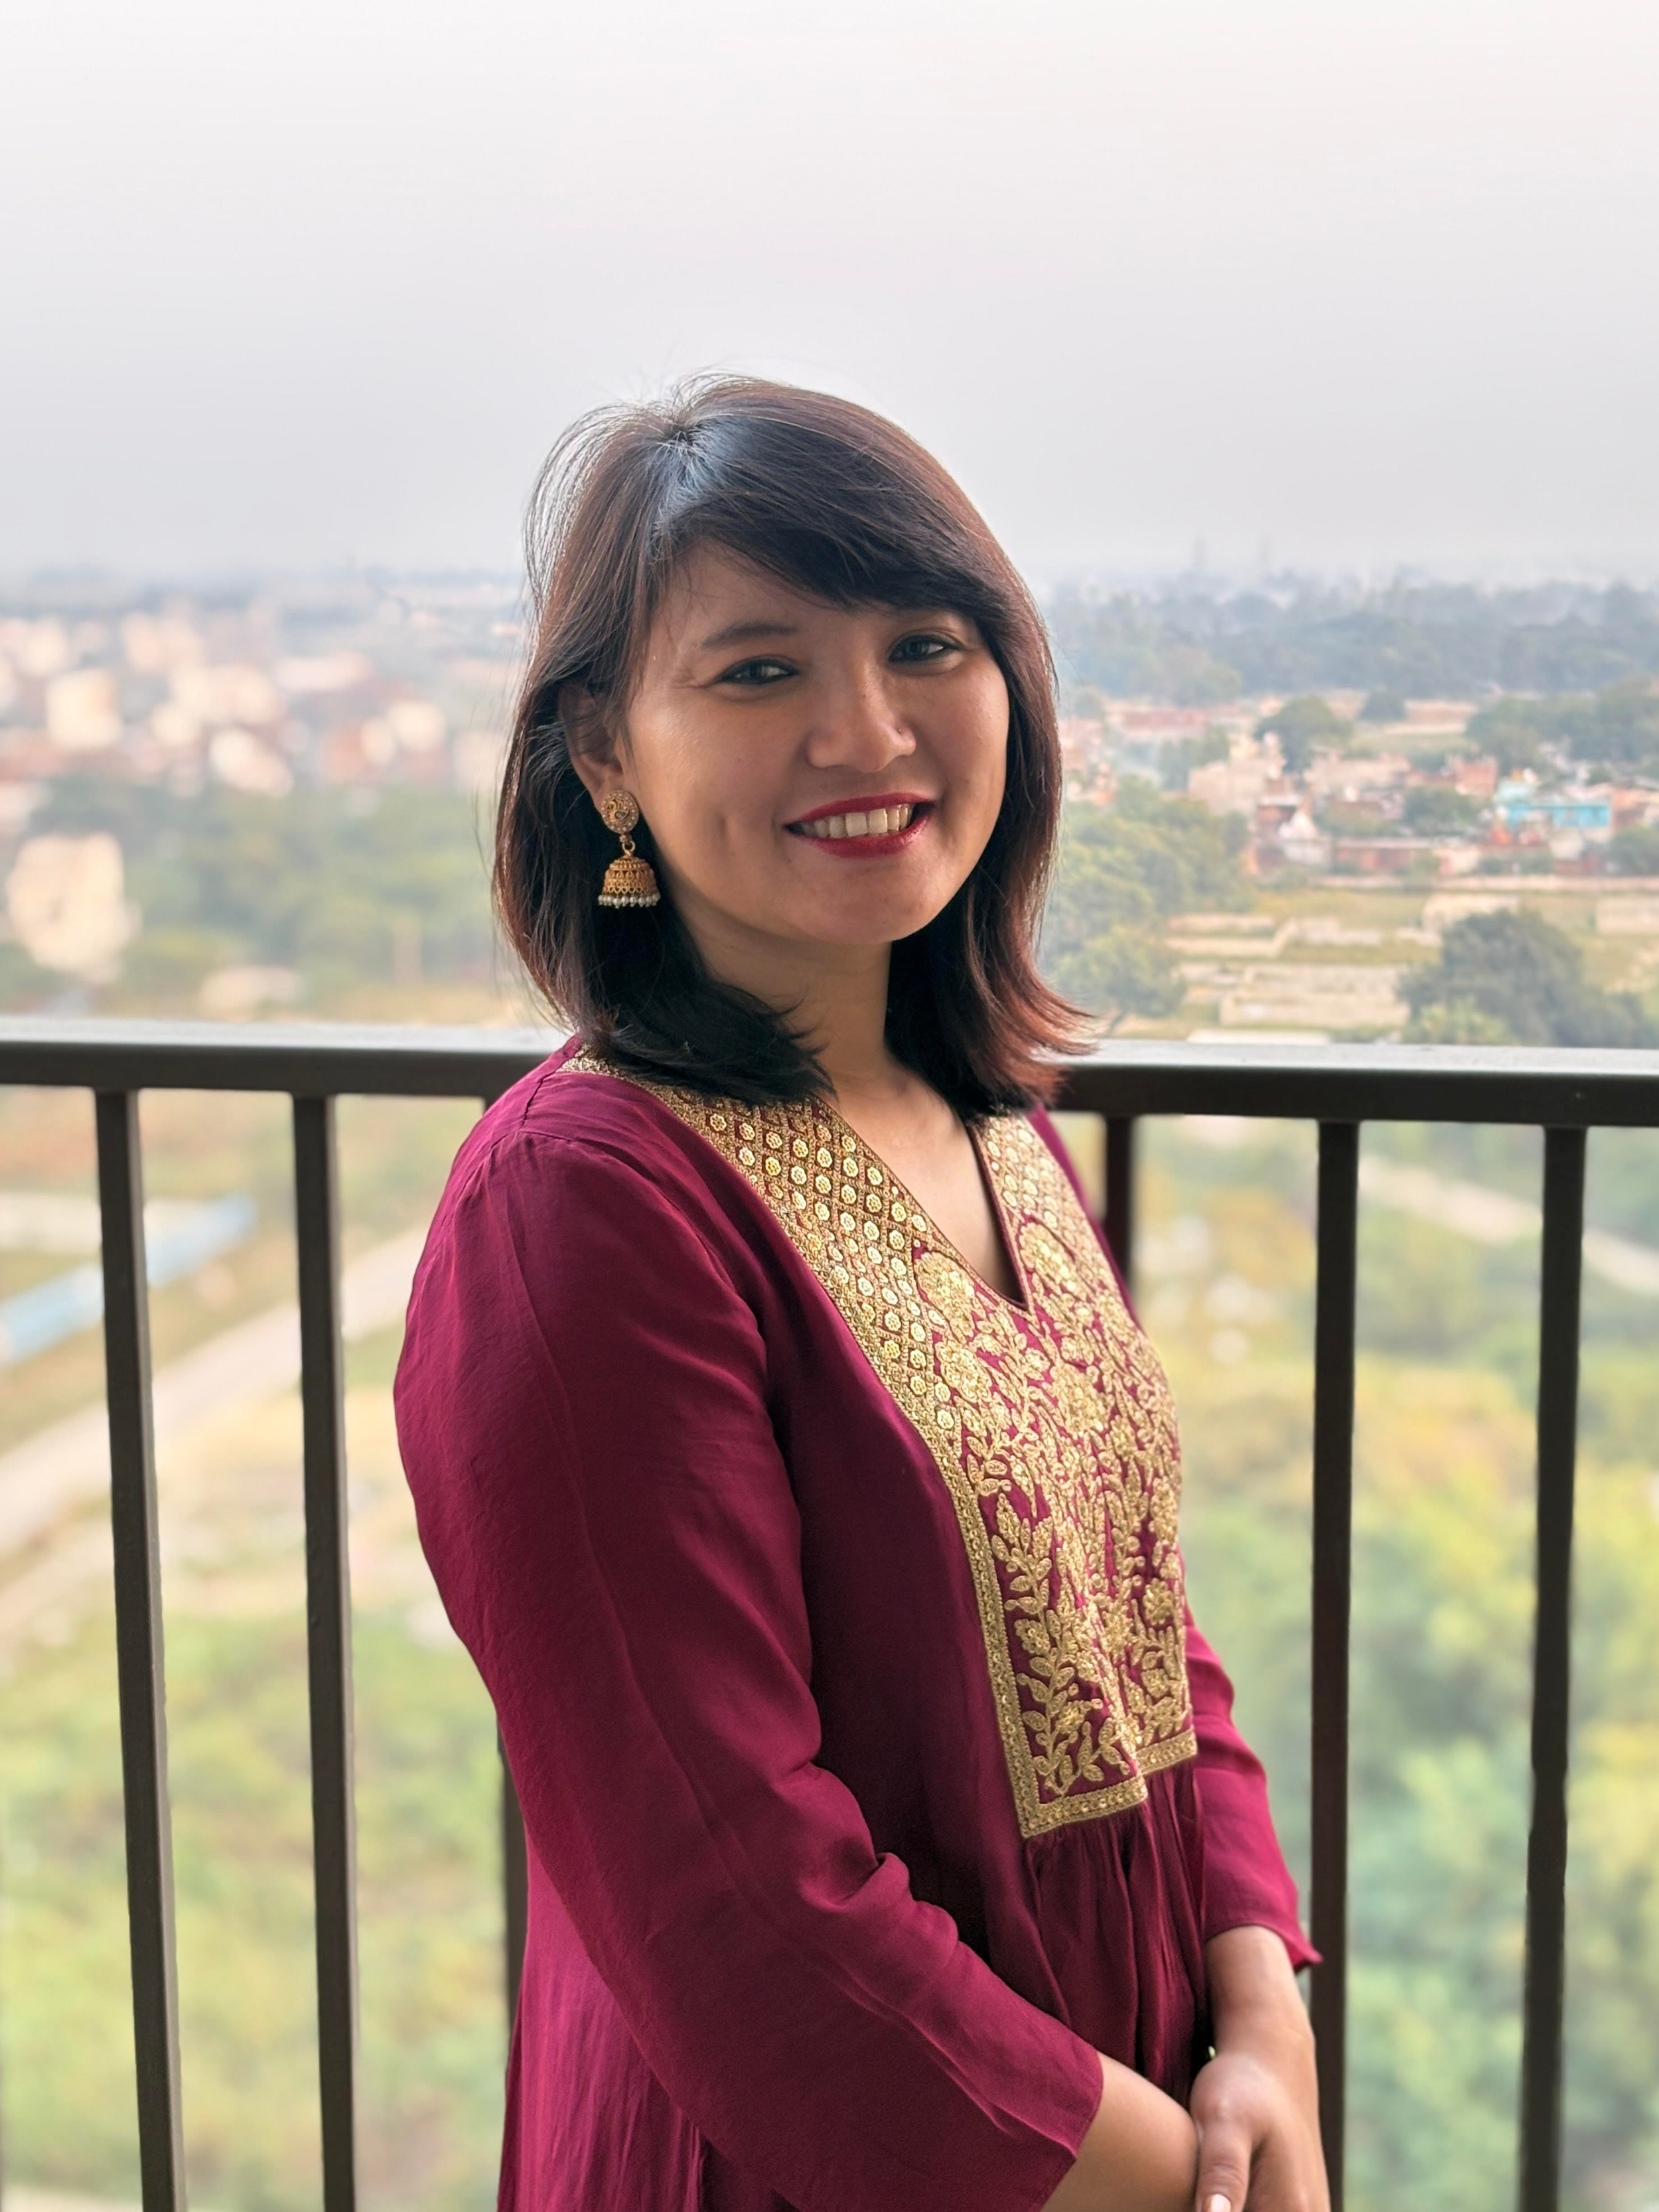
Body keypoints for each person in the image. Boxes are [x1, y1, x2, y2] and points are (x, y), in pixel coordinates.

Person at [394, 378, 1326, 2212]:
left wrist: (1259, 2016)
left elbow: (1136, 1620)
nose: (868, 727)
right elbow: (722, 1887)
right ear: (603, 753)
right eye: (757, 671)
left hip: (1127, 2110)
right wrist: (1173, 2175)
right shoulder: (579, 1209)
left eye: (927, 642)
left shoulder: (984, 1122)